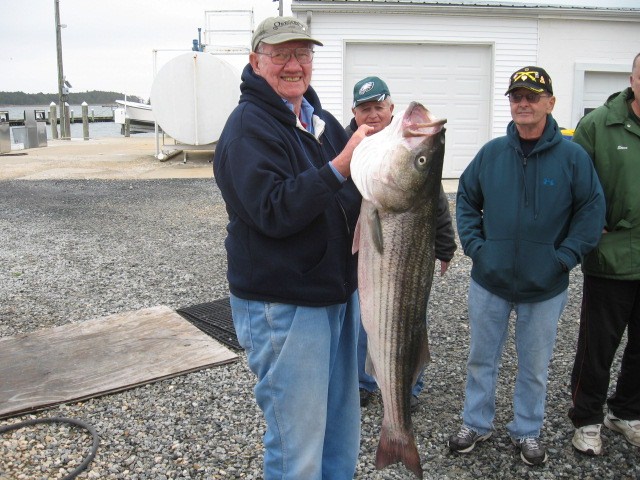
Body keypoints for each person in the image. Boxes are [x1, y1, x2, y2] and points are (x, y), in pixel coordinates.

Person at [213, 16, 373, 480]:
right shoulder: (248, 128)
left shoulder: (316, 119)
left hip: (334, 295)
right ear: (255, 60)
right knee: (297, 447)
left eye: (302, 53)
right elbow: (272, 209)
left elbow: (355, 186)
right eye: (281, 53)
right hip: (283, 303)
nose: (293, 64)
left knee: (340, 436)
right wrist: (340, 167)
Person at [449, 66, 606, 466]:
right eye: (516, 96)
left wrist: (564, 258)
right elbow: (466, 198)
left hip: (545, 286)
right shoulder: (491, 153)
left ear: (550, 103)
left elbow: (591, 211)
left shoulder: (573, 158)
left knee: (534, 366)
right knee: (481, 358)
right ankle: (476, 422)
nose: (523, 103)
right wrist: (477, 247)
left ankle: (527, 430)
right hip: (490, 281)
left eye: (532, 96)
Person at [344, 76, 457, 410]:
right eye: (365, 109)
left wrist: (445, 245)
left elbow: (434, 199)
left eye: (378, 107)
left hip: (409, 254)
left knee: (409, 315)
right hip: (366, 253)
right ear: (355, 112)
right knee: (368, 319)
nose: (373, 114)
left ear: (391, 107)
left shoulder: (403, 147)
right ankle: (366, 383)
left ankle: (410, 387)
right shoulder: (348, 142)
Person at [568, 52, 640, 456]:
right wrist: (590, 225)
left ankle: (627, 412)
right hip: (611, 261)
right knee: (598, 348)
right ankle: (587, 419)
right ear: (632, 77)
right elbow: (575, 184)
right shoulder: (598, 124)